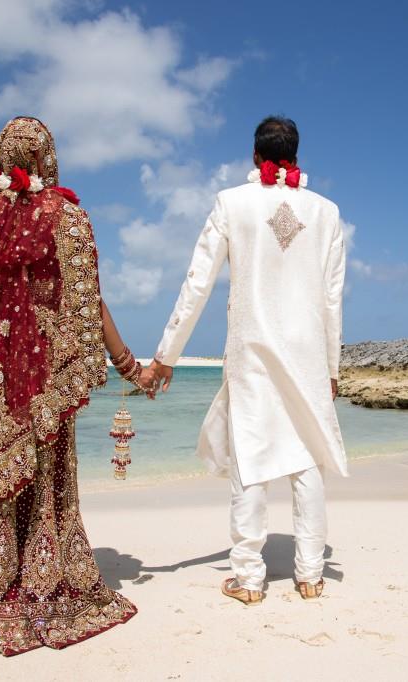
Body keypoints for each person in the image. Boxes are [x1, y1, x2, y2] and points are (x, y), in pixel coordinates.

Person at [0, 117, 145, 655]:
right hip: (41, 372)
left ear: (1, 157)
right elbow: (87, 301)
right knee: (43, 478)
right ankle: (41, 586)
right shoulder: (67, 217)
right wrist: (127, 364)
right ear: (48, 158)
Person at [140, 116, 348, 605]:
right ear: (296, 154)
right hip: (307, 350)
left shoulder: (231, 203)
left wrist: (166, 355)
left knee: (250, 456)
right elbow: (333, 298)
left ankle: (250, 578)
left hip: (251, 347)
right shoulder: (326, 212)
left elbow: (198, 283)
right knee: (308, 458)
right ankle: (311, 574)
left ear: (255, 156)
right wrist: (333, 367)